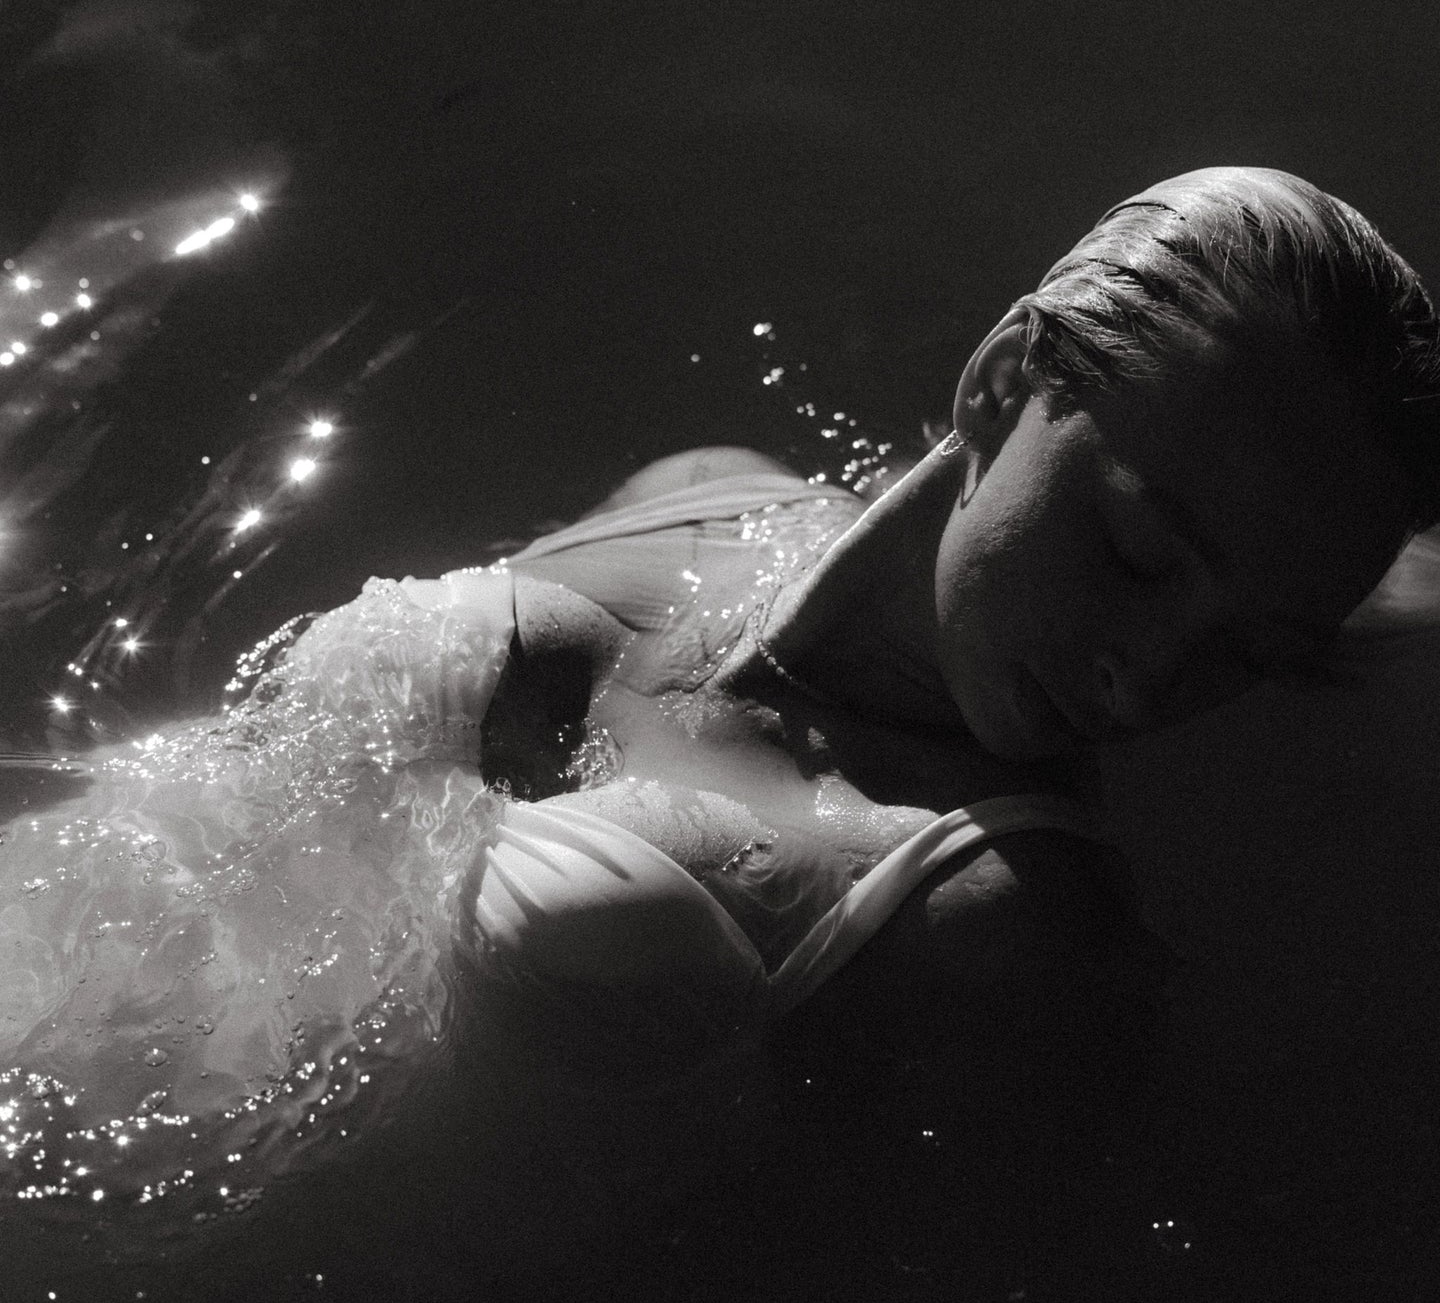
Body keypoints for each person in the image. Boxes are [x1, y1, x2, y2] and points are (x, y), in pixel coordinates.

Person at [1, 164, 1435, 1236]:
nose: (1153, 673)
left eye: (1248, 648)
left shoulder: (1008, 933)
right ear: (1005, 381)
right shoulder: (704, 492)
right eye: (1139, 555)